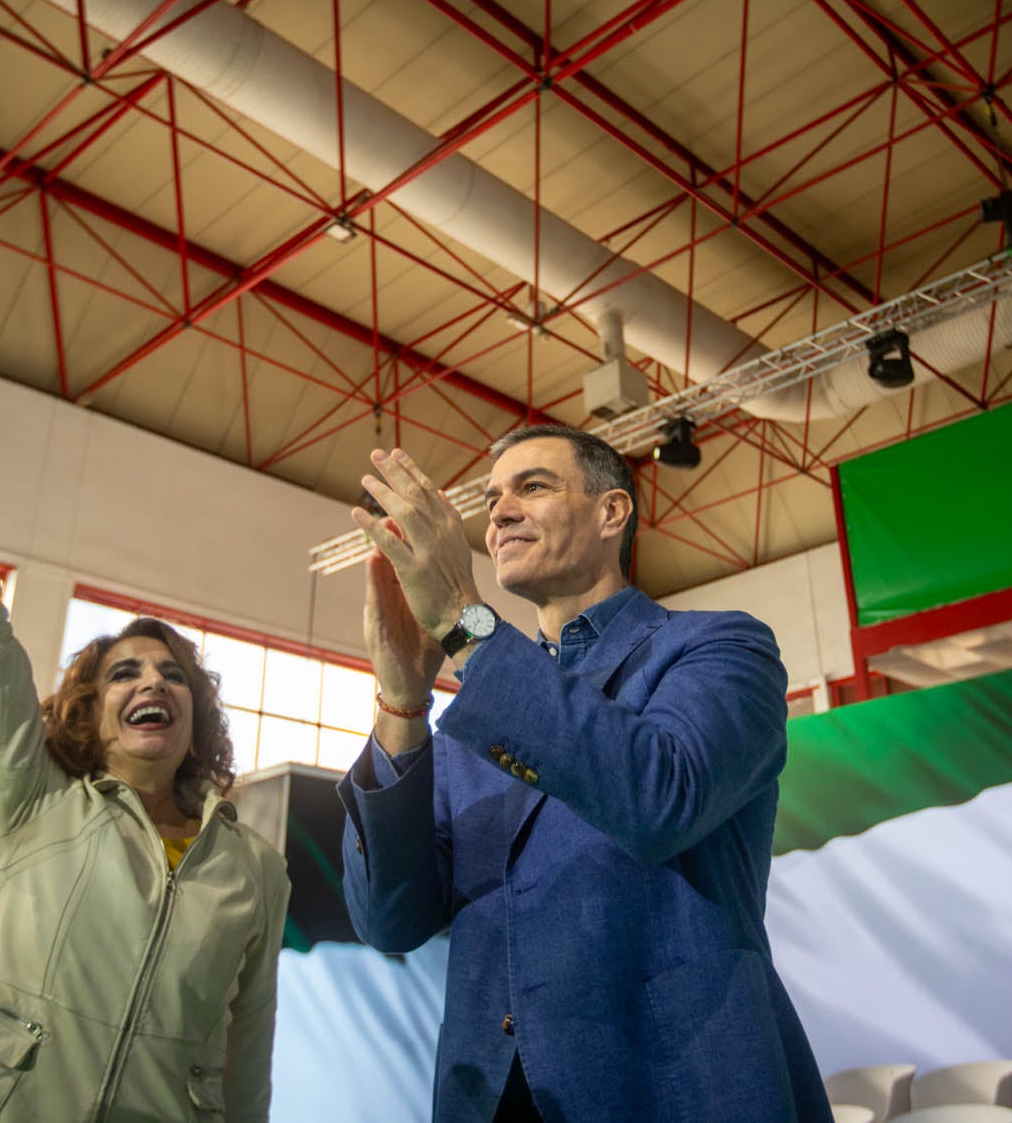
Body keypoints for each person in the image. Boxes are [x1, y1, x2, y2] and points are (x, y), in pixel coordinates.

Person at [0, 334, 289, 1123]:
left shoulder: (255, 868)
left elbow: (247, 1045)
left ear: (196, 719)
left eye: (173, 674)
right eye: (125, 672)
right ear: (89, 713)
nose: (153, 681)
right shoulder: (35, 800)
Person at [339, 425, 830, 1121]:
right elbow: (390, 920)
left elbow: (661, 797)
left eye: (532, 486)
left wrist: (461, 621)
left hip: (675, 1090)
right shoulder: (476, 715)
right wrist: (401, 701)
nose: (500, 514)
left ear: (612, 513)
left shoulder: (719, 647)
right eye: (491, 499)